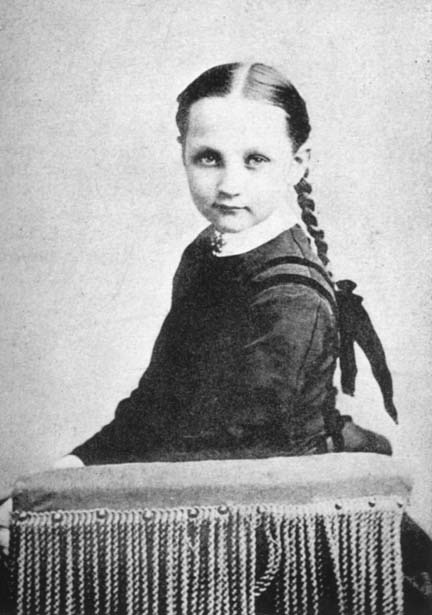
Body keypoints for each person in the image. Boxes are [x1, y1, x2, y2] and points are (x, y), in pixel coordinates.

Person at [0, 62, 430, 613]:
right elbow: (157, 403)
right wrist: (70, 468)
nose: (229, 184)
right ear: (183, 152)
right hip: (203, 498)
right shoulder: (206, 253)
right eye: (209, 158)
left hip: (280, 532)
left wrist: (56, 509)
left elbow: (230, 453)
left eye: (255, 160)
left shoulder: (292, 296)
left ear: (298, 164)